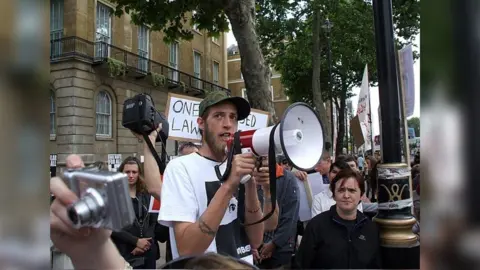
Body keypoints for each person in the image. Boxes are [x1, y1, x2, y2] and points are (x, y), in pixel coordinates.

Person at [157, 90, 266, 264]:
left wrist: (251, 184)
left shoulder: (240, 165)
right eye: (219, 116)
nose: (228, 124)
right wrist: (229, 185)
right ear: (201, 123)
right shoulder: (180, 168)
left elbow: (256, 240)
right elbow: (188, 249)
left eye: (233, 117)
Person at [295, 169, 382, 269]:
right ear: (334, 195)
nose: (346, 195)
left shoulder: (370, 229)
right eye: (341, 190)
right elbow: (301, 264)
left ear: (361, 195)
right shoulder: (316, 226)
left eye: (352, 190)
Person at [110, 156, 159, 269]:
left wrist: (144, 244)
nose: (131, 175)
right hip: (125, 251)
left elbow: (153, 221)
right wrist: (135, 241)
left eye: (134, 172)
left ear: (139, 173)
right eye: (127, 172)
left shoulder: (147, 194)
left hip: (148, 249)